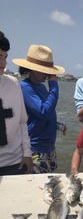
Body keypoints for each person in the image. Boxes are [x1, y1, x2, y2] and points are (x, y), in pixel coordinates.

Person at [12, 44, 65, 173]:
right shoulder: (25, 87)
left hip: (49, 147)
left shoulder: (40, 86)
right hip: (35, 148)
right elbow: (43, 112)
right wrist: (53, 85)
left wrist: (56, 125)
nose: (47, 74)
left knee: (51, 186)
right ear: (32, 69)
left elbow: (44, 112)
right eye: (44, 70)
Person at [0, 31, 32, 175]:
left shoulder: (13, 84)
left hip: (14, 162)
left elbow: (22, 122)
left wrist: (27, 153)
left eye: (5, 56)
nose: (4, 63)